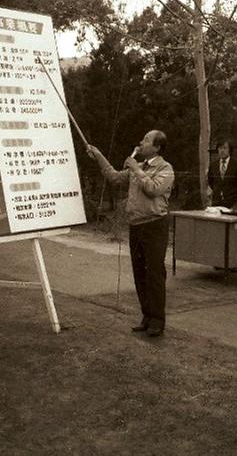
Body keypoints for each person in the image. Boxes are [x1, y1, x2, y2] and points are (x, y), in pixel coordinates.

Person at [87, 130, 175, 337]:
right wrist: (99, 156)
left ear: (157, 147)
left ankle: (157, 320)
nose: (141, 142)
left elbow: (153, 189)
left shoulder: (165, 168)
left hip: (155, 224)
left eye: (145, 140)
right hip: (136, 225)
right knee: (139, 273)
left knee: (154, 273)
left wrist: (135, 168)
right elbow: (115, 177)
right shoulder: (140, 167)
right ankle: (146, 315)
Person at [207, 140, 237, 208]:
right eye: (220, 148)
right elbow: (211, 181)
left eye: (225, 148)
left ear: (229, 150)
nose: (222, 150)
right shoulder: (213, 165)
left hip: (232, 202)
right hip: (216, 202)